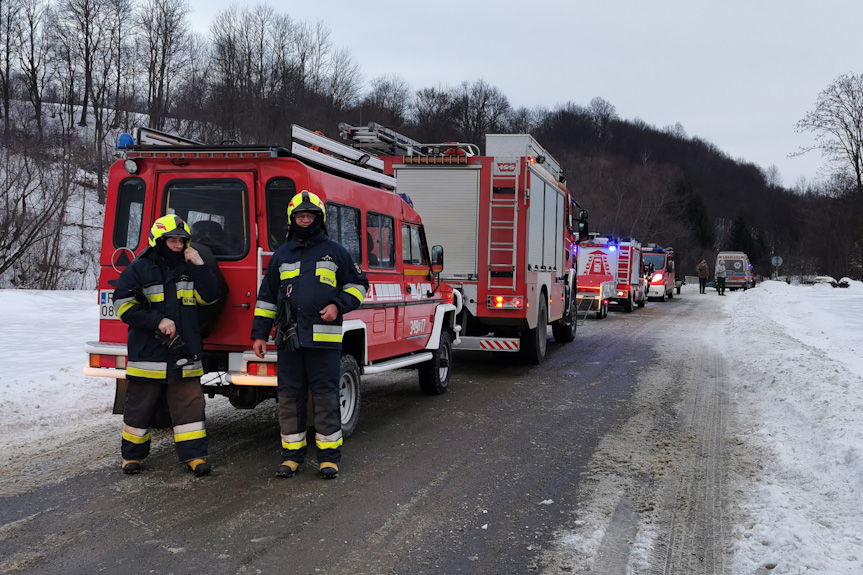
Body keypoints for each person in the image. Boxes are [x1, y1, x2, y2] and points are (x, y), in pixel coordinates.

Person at [251, 190, 368, 480]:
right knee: (289, 399)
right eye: (300, 216)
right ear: (293, 220)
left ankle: (329, 459)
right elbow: (266, 298)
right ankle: (292, 457)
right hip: (289, 341)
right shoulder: (281, 255)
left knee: (326, 398)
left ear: (319, 219)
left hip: (324, 343)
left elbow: (359, 285)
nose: (305, 220)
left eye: (310, 216)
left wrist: (337, 305)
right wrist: (259, 334)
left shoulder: (336, 252)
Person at [113, 215, 221, 476]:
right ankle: (132, 457)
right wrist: (156, 320)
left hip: (184, 352)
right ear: (158, 241)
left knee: (191, 408)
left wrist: (200, 265)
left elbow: (210, 298)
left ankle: (195, 457)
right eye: (172, 239)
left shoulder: (190, 267)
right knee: (139, 408)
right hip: (148, 354)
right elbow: (122, 306)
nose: (177, 244)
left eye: (182, 240)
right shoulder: (139, 268)